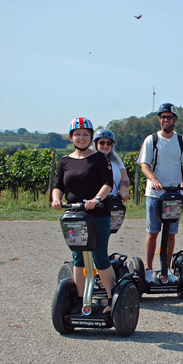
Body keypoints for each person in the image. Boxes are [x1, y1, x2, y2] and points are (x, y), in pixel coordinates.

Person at [51, 117, 115, 313]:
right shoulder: (65, 161)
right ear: (71, 137)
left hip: (98, 214)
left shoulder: (99, 159)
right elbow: (58, 186)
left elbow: (108, 184)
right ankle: (80, 299)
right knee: (78, 257)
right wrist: (56, 199)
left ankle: (113, 300)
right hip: (75, 216)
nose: (81, 138)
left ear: (90, 137)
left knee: (100, 257)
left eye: (85, 134)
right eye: (77, 134)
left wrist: (96, 199)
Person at [137, 103, 183, 283]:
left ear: (175, 120)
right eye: (163, 117)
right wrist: (153, 180)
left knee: (170, 233)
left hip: (175, 194)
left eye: (169, 117)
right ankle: (148, 269)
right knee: (153, 232)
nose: (165, 120)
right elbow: (144, 165)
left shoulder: (182, 141)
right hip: (155, 194)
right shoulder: (151, 140)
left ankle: (166, 269)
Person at [93, 129, 131, 201]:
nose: (105, 146)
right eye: (102, 143)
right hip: (93, 201)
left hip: (112, 200)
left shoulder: (116, 160)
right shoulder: (90, 160)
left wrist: (124, 192)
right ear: (96, 144)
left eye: (109, 143)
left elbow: (124, 178)